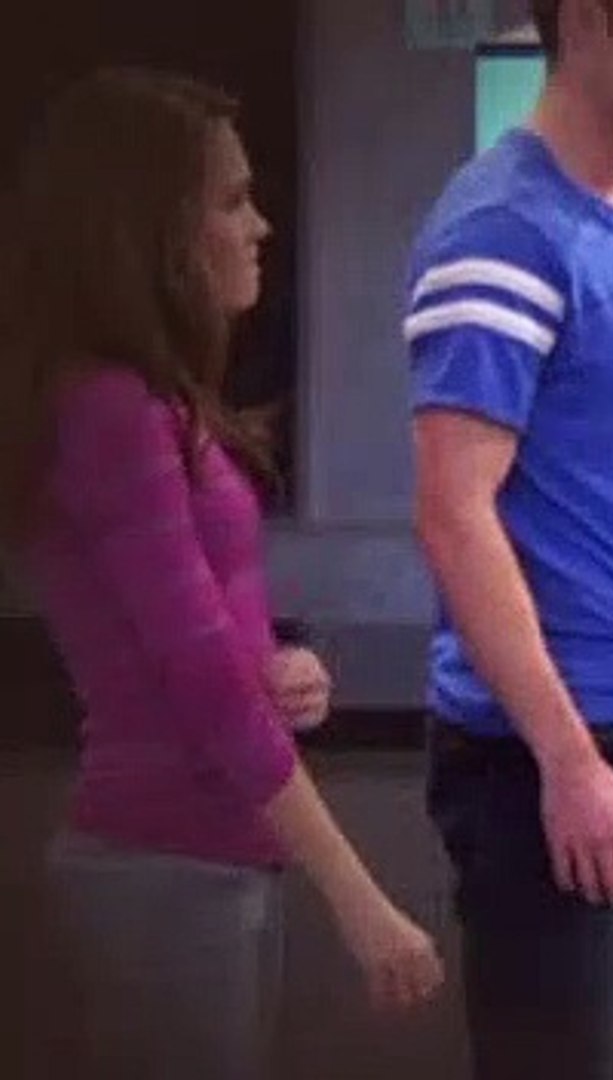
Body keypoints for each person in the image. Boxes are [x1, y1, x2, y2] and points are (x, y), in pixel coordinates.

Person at [0, 68, 444, 1080]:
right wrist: (360, 901)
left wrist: (277, 664)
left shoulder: (152, 404)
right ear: (155, 231)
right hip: (165, 862)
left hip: (202, 857)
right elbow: (196, 682)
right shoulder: (110, 409)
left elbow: (201, 640)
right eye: (233, 201)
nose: (260, 228)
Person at [403, 1, 613, 1077]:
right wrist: (567, 759)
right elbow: (454, 513)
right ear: (590, 19)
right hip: (556, 741)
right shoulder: (502, 231)